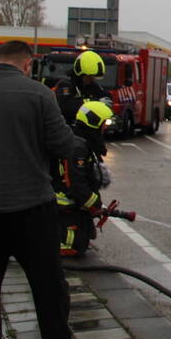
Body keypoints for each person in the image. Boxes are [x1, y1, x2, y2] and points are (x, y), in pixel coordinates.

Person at [0, 41, 85, 339]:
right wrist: (82, 144)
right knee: (48, 287)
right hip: (32, 209)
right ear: (27, 64)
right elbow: (62, 144)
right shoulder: (38, 94)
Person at [53, 102, 113, 258]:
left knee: (84, 240)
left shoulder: (83, 143)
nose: (104, 129)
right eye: (103, 125)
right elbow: (77, 184)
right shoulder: (78, 148)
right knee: (74, 247)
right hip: (65, 206)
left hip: (74, 206)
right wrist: (95, 204)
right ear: (93, 122)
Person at [51, 49, 108, 160]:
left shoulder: (91, 86)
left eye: (93, 77)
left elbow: (104, 97)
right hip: (69, 137)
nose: (91, 80)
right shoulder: (65, 86)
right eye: (89, 77)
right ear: (80, 74)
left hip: (88, 139)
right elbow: (66, 107)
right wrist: (93, 103)